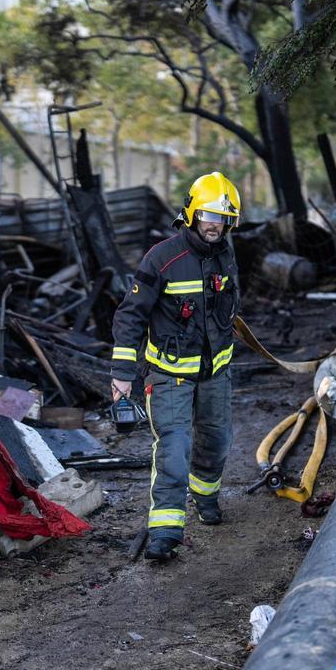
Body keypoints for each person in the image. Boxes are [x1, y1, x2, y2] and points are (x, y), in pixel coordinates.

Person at [109, 172, 242, 560]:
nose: (215, 225)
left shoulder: (226, 255)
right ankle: (165, 531)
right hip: (169, 377)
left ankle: (206, 497)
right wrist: (122, 375)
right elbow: (130, 316)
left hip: (215, 374)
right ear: (191, 213)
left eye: (223, 219)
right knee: (173, 448)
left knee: (216, 442)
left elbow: (229, 305)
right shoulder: (162, 258)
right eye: (208, 216)